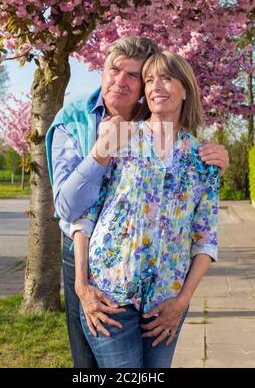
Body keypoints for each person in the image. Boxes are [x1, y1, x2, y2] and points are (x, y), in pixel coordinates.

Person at [45, 36, 229, 368]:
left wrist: (183, 300)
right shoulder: (114, 135)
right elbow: (81, 212)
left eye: (167, 78)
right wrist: (82, 284)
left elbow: (207, 237)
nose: (156, 86)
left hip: (166, 297)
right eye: (150, 79)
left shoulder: (203, 160)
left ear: (186, 89)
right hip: (109, 288)